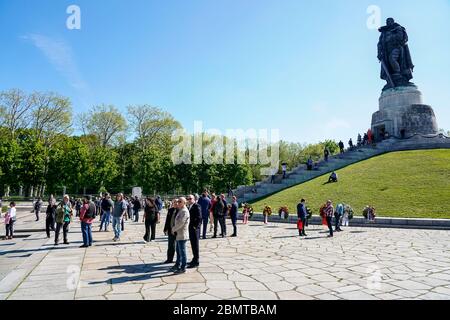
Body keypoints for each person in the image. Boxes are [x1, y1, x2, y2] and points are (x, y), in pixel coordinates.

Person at [170, 197, 190, 274]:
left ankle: (183, 267)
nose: (178, 203)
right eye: (178, 201)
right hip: (179, 234)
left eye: (180, 201)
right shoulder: (180, 210)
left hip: (182, 234)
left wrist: (173, 229)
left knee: (182, 252)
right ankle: (178, 265)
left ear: (184, 203)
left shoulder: (184, 211)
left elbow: (180, 223)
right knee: (179, 251)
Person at [187, 195, 202, 268]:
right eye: (188, 199)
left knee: (195, 245)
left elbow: (199, 218)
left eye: (190, 199)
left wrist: (195, 227)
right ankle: (194, 258)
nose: (189, 200)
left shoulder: (197, 206)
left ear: (194, 199)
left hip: (195, 229)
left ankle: (196, 261)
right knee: (193, 244)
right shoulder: (189, 206)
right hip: (190, 228)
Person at [163, 199, 178, 264]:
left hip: (177, 231)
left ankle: (178, 260)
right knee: (170, 246)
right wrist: (165, 229)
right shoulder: (170, 210)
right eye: (174, 202)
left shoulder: (180, 210)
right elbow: (167, 220)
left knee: (178, 247)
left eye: (176, 202)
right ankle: (169, 259)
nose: (175, 203)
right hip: (170, 230)